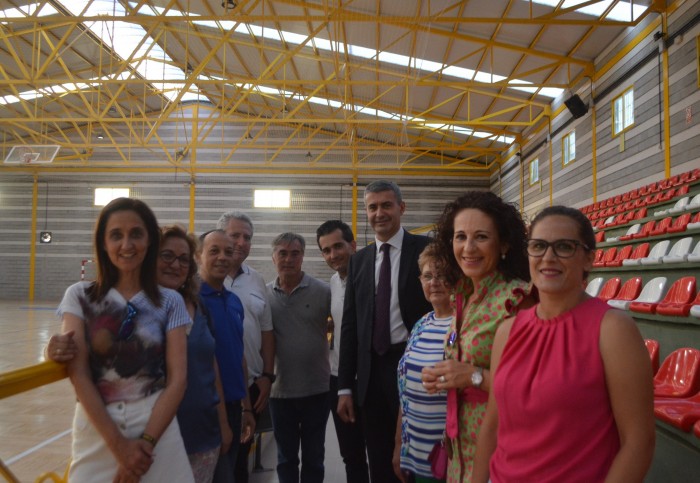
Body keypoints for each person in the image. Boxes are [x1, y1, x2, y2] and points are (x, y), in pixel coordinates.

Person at [472, 206, 655, 483]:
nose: (548, 257)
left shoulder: (614, 330)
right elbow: (493, 425)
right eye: (538, 246)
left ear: (589, 259)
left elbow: (638, 443)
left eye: (564, 247)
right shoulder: (507, 331)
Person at [48, 224, 233, 483]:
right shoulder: (121, 310)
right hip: (148, 436)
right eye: (166, 256)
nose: (175, 265)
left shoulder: (197, 306)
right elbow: (93, 356)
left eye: (183, 260)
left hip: (203, 433)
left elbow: (209, 367)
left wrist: (223, 422)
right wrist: (57, 348)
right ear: (148, 257)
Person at [56, 197, 194, 482]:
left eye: (136, 234)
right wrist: (120, 447)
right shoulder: (79, 296)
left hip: (157, 428)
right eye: (116, 235)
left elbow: (178, 379)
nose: (126, 244)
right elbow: (79, 374)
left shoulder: (170, 301)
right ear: (103, 243)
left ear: (150, 242)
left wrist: (146, 443)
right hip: (97, 427)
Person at [421, 191, 532, 482]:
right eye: (460, 237)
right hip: (460, 450)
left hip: (502, 449)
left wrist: (472, 376)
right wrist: (445, 376)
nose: (468, 248)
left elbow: (534, 388)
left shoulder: (518, 298)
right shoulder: (463, 295)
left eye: (481, 237)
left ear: (504, 243)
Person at [337, 180, 432, 483]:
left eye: (386, 205)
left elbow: (448, 311)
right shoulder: (360, 261)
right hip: (371, 373)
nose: (380, 213)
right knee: (378, 458)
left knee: (418, 455)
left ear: (401, 208)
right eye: (372, 207)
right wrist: (344, 387)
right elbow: (350, 326)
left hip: (416, 367)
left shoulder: (427, 250)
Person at [267, 232, 331, 483]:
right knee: (286, 457)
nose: (288, 259)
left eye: (295, 253)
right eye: (282, 253)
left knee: (315, 457)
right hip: (279, 393)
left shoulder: (322, 291)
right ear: (273, 258)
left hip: (317, 390)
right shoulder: (264, 296)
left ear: (303, 257)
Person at [217, 211, 275, 483]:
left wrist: (267, 376)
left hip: (251, 386)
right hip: (215, 389)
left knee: (240, 463)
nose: (241, 242)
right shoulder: (199, 281)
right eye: (234, 235)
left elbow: (266, 331)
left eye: (247, 237)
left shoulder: (256, 280)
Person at [197, 229, 255, 481]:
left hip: (233, 408)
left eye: (228, 252)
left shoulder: (233, 301)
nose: (222, 257)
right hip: (206, 412)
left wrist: (246, 409)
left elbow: (238, 355)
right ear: (198, 256)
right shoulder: (191, 301)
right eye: (214, 251)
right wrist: (221, 423)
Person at [316, 220, 370, 483]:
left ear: (353, 244)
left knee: (381, 452)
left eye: (338, 246)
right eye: (326, 250)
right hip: (339, 378)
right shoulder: (333, 283)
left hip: (371, 378)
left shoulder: (372, 277)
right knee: (351, 454)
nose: (333, 255)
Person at [394, 244, 453, 483]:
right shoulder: (421, 324)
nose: (434, 282)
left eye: (442, 275)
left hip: (448, 452)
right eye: (428, 276)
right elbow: (405, 389)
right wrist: (399, 444)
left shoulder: (463, 324)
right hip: (415, 451)